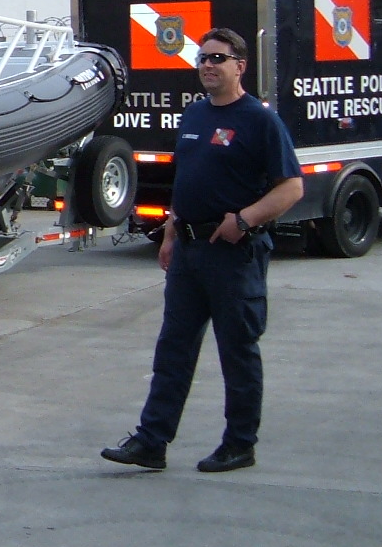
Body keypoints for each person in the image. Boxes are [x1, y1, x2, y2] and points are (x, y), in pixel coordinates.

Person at [102, 28, 303, 474]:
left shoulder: (260, 121)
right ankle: (152, 441)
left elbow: (292, 187)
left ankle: (239, 444)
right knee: (173, 349)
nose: (207, 65)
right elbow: (187, 183)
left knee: (237, 351)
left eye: (218, 58)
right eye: (202, 58)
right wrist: (171, 234)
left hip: (233, 255)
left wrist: (245, 219)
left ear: (240, 66)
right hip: (189, 252)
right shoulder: (194, 116)